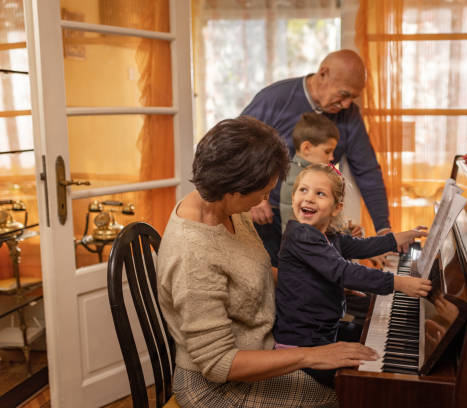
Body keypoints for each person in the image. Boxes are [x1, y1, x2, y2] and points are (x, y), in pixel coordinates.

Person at [157, 117, 379, 408]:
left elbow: (252, 271)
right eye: (262, 193)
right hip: (219, 388)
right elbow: (219, 364)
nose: (265, 199)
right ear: (234, 189)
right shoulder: (193, 254)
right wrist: (312, 355)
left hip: (265, 345)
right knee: (352, 394)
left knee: (356, 372)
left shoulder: (222, 204)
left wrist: (316, 282)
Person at [273, 163, 432, 389]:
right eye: (303, 190)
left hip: (324, 332)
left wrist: (398, 238)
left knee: (382, 344)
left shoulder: (327, 235)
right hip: (301, 345)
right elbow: (343, 271)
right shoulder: (300, 235)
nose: (309, 198)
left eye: (320, 194)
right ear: (293, 195)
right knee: (364, 384)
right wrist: (397, 282)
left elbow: (361, 246)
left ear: (336, 208)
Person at [242, 49, 390, 267]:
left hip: (312, 218)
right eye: (344, 94)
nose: (348, 104)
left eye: (353, 98)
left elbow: (367, 171)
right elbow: (236, 145)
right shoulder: (276, 98)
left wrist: (383, 228)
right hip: (266, 215)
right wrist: (252, 194)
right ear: (323, 73)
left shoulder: (349, 116)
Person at [279, 112, 339, 232]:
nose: (332, 157)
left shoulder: (300, 171)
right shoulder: (298, 179)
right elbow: (314, 223)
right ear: (306, 148)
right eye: (327, 151)